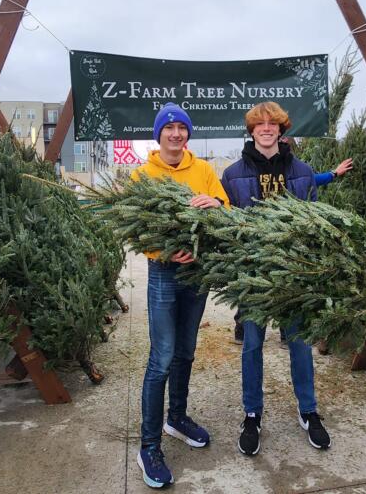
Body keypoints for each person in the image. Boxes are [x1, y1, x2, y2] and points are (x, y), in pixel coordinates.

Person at [221, 101, 331, 456]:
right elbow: (227, 228)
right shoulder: (233, 175)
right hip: (254, 277)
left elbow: (315, 223)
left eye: (273, 124)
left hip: (294, 275)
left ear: (282, 130)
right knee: (252, 345)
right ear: (251, 130)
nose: (266, 129)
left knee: (300, 344)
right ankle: (252, 414)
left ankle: (308, 410)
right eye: (259, 124)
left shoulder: (302, 171)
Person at [133, 102, 229, 489]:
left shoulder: (203, 170)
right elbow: (137, 229)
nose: (176, 133)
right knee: (162, 358)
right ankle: (149, 447)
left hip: (197, 274)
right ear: (159, 135)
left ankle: (178, 417)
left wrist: (217, 204)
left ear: (188, 134)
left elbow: (227, 209)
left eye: (182, 128)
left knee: (187, 351)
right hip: (164, 275)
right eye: (169, 128)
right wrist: (164, 251)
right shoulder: (143, 175)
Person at [231, 157, 353, 345]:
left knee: (286, 282)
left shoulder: (293, 169)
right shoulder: (247, 171)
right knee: (251, 284)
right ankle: (242, 329)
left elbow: (309, 179)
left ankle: (287, 332)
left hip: (286, 232)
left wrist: (333, 174)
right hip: (257, 233)